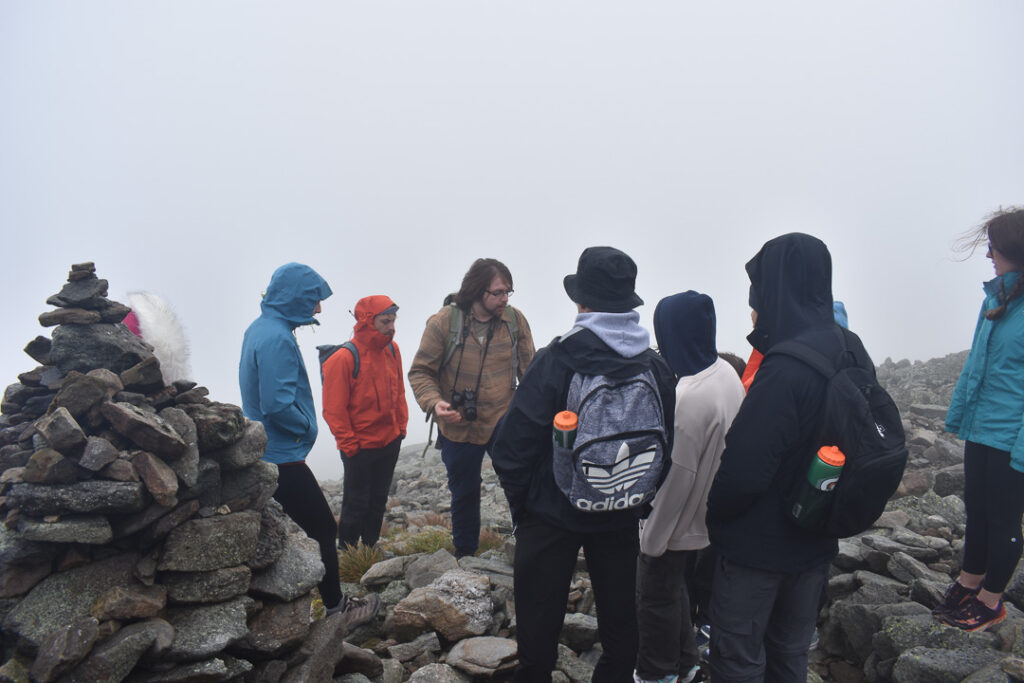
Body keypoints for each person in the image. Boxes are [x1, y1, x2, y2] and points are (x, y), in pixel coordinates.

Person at [491, 246, 676, 682]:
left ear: (582, 302)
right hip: (620, 512)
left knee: (538, 632)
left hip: (552, 514)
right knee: (621, 628)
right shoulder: (654, 366)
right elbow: (667, 445)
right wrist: (636, 499)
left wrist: (528, 509)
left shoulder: (557, 360)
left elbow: (510, 448)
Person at [706, 233, 876, 682]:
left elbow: (744, 471)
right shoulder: (851, 348)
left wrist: (715, 518)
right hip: (817, 537)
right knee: (789, 653)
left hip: (758, 550)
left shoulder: (784, 365)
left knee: (739, 658)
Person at [239, 263, 380, 625]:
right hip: (281, 454)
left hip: (268, 450)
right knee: (321, 528)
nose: (317, 309)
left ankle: (284, 608)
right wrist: (306, 427)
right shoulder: (277, 339)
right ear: (295, 298)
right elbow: (277, 403)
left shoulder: (262, 329)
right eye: (313, 300)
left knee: (285, 530)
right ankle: (337, 610)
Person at [635, 292, 745, 683]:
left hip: (681, 522)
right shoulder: (725, 374)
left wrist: (651, 537)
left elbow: (678, 476)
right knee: (677, 591)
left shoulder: (690, 398)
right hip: (712, 516)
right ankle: (687, 665)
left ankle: (656, 673)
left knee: (656, 597)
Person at [408, 258, 535, 557]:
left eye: (508, 292)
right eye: (499, 292)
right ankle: (465, 554)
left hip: (503, 419)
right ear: (478, 292)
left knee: (520, 481)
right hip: (457, 424)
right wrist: (434, 403)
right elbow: (420, 372)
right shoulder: (444, 323)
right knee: (464, 492)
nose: (505, 298)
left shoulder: (514, 322)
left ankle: (528, 544)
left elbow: (530, 374)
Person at [937, 207, 1024, 632]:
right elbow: (977, 365)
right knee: (978, 509)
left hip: (1013, 435)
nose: (988, 253)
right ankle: (969, 579)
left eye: (993, 246)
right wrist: (961, 418)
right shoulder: (996, 299)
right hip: (983, 427)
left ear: (1013, 249)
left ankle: (992, 600)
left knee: (1005, 517)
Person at [322, 296, 409, 550]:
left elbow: (399, 391)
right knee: (356, 501)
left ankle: (370, 549)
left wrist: (401, 427)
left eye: (393, 320)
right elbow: (333, 409)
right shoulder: (343, 359)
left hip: (390, 439)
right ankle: (348, 553)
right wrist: (349, 445)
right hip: (359, 446)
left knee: (379, 499)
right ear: (367, 321)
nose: (391, 326)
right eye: (385, 321)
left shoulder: (393, 350)